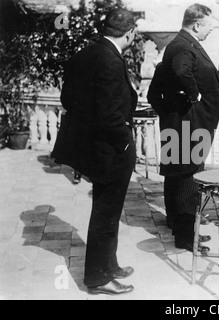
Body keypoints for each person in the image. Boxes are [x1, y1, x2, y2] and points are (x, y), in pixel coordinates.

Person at [51, 8, 138, 295]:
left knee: (107, 212)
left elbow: (68, 99)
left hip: (95, 148)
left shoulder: (84, 54)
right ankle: (98, 279)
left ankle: (109, 265)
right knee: (105, 214)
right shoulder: (111, 60)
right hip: (111, 150)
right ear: (129, 33)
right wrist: (124, 141)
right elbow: (110, 114)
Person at [149, 3, 219, 254]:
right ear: (197, 24)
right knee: (189, 178)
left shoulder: (177, 44)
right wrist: (194, 97)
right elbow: (182, 71)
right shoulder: (183, 46)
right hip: (190, 126)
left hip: (180, 124)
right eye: (209, 27)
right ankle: (186, 237)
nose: (210, 31)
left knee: (176, 176)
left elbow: (153, 93)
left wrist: (169, 114)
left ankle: (178, 227)